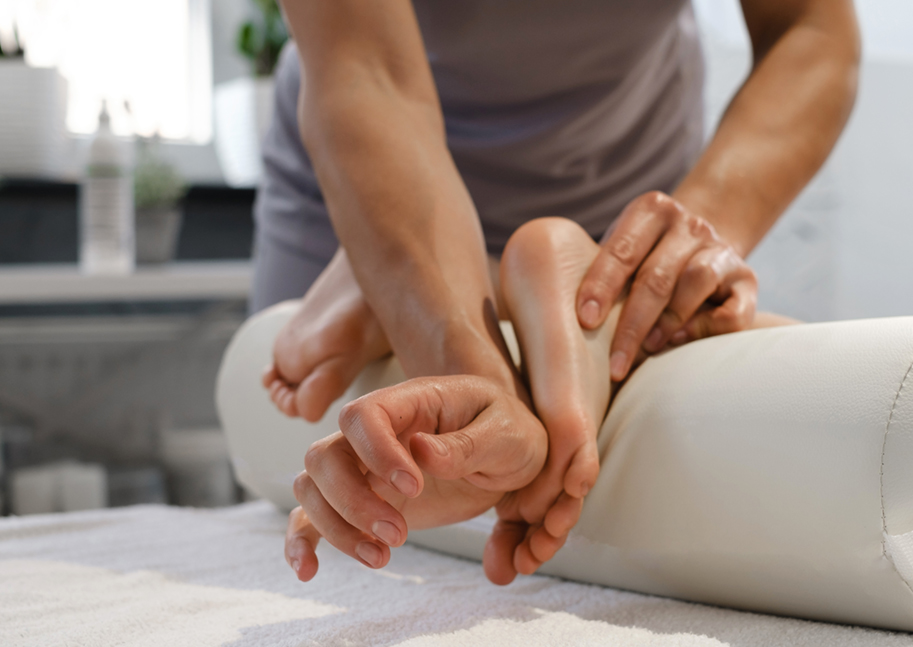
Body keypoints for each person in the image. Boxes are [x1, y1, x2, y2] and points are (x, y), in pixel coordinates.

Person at [256, 0, 860, 580]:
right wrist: (476, 393)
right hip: (374, 197)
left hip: (624, 187)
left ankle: (534, 293)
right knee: (297, 415)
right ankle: (487, 300)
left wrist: (658, 265)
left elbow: (809, 28)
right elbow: (368, 75)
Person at [283, 216, 798, 584]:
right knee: (778, 346)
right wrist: (666, 297)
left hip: (620, 219)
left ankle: (394, 287)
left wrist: (666, 261)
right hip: (370, 207)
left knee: (298, 362)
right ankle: (603, 321)